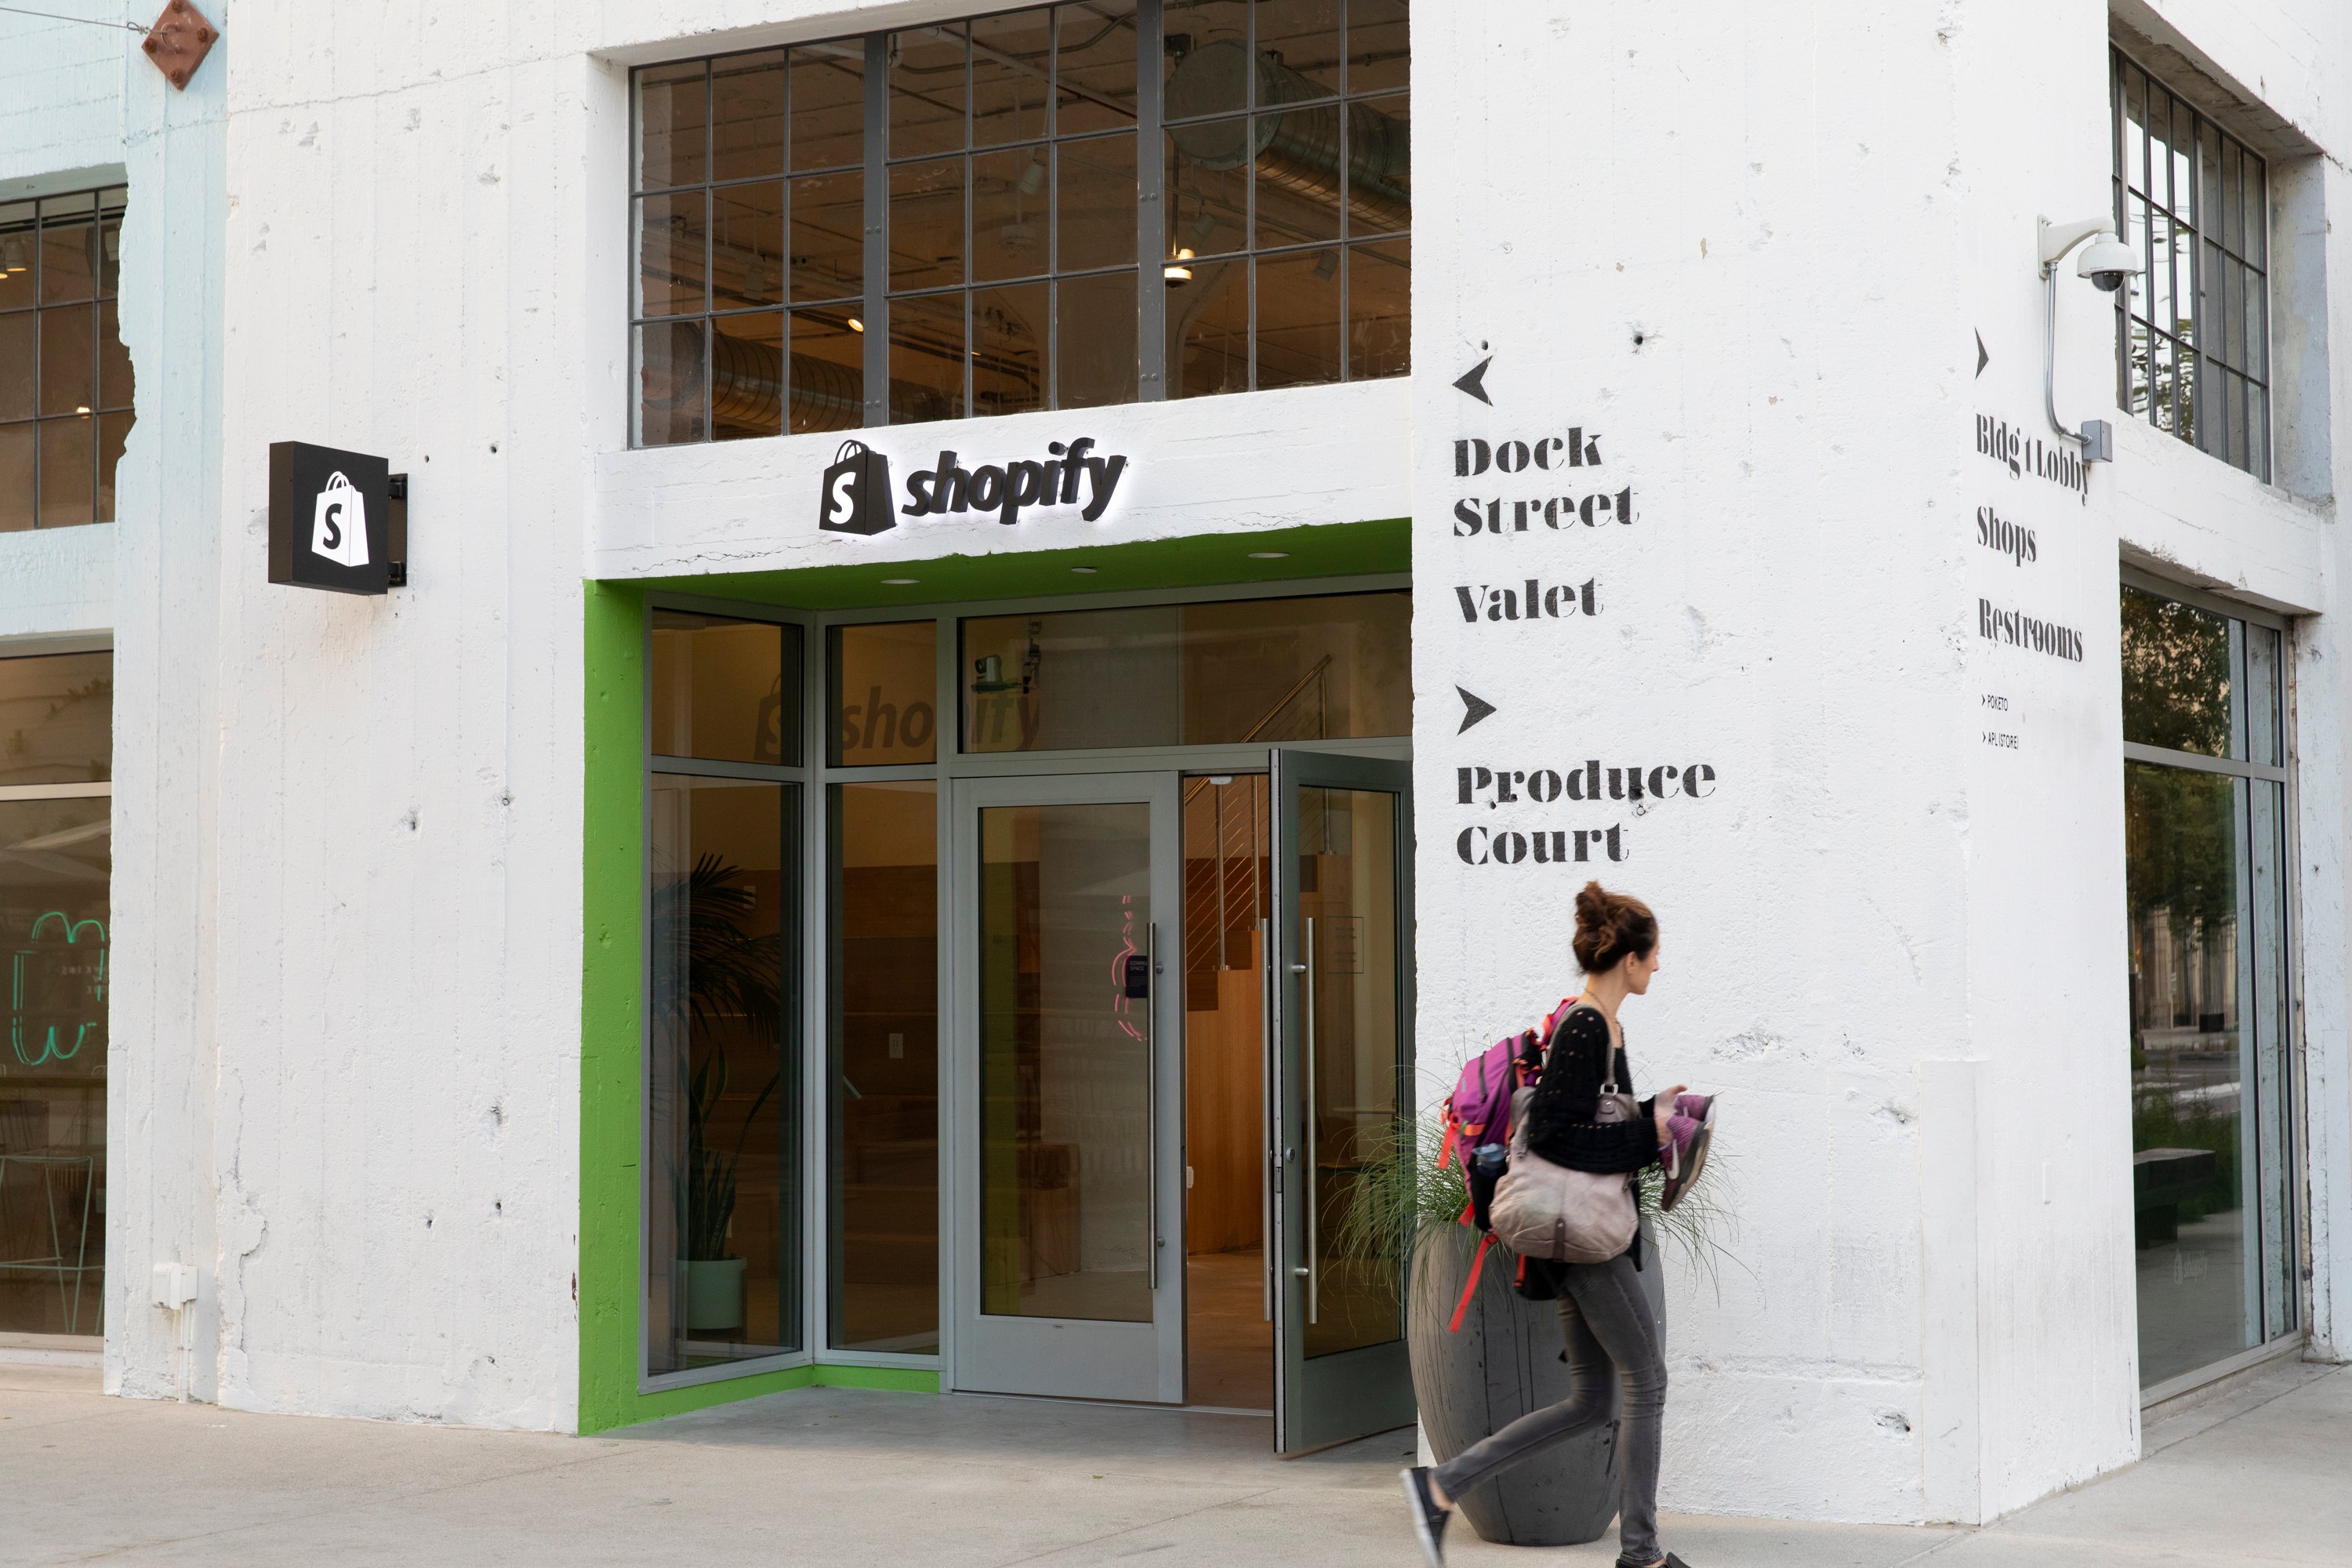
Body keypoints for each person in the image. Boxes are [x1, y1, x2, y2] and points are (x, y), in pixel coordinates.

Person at [1401, 881, 1705, 1568]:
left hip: (1578, 1240)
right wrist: (1648, 1140)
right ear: (1628, 958)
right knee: (1647, 1383)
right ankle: (1643, 1552)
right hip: (1585, 1242)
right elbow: (1557, 1141)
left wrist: (1653, 1112)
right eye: (1653, 955)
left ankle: (1442, 1486)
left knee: (1594, 1401)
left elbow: (1591, 1123)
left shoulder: (1603, 1024)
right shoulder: (1586, 1027)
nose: (1658, 967)